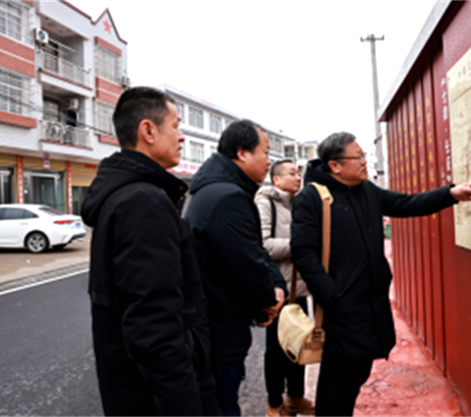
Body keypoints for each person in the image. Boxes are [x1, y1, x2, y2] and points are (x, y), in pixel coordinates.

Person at [291, 131, 471, 417]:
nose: (364, 162)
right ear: (335, 165)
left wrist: (451, 193)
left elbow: (407, 204)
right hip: (342, 308)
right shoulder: (312, 198)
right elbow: (302, 252)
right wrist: (332, 295)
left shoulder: (367, 191)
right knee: (337, 385)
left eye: (364, 156)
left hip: (372, 303)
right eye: (357, 157)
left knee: (356, 374)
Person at [81, 87, 220, 417]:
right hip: (156, 401)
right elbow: (154, 326)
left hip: (132, 391)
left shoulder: (124, 196)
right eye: (175, 125)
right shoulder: (144, 202)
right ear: (148, 130)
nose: (182, 137)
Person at [184, 119, 287, 417]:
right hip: (219, 329)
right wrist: (268, 301)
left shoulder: (213, 190)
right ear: (242, 153)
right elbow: (246, 264)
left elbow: (250, 253)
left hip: (214, 320)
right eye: (265, 152)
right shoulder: (227, 197)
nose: (270, 160)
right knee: (224, 405)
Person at [254, 160, 315, 417]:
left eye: (298, 173)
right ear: (276, 179)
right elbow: (263, 244)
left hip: (298, 289)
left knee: (298, 343)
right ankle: (274, 403)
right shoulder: (265, 202)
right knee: (276, 351)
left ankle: (296, 396)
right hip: (277, 289)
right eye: (291, 173)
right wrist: (299, 245)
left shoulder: (300, 204)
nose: (297, 177)